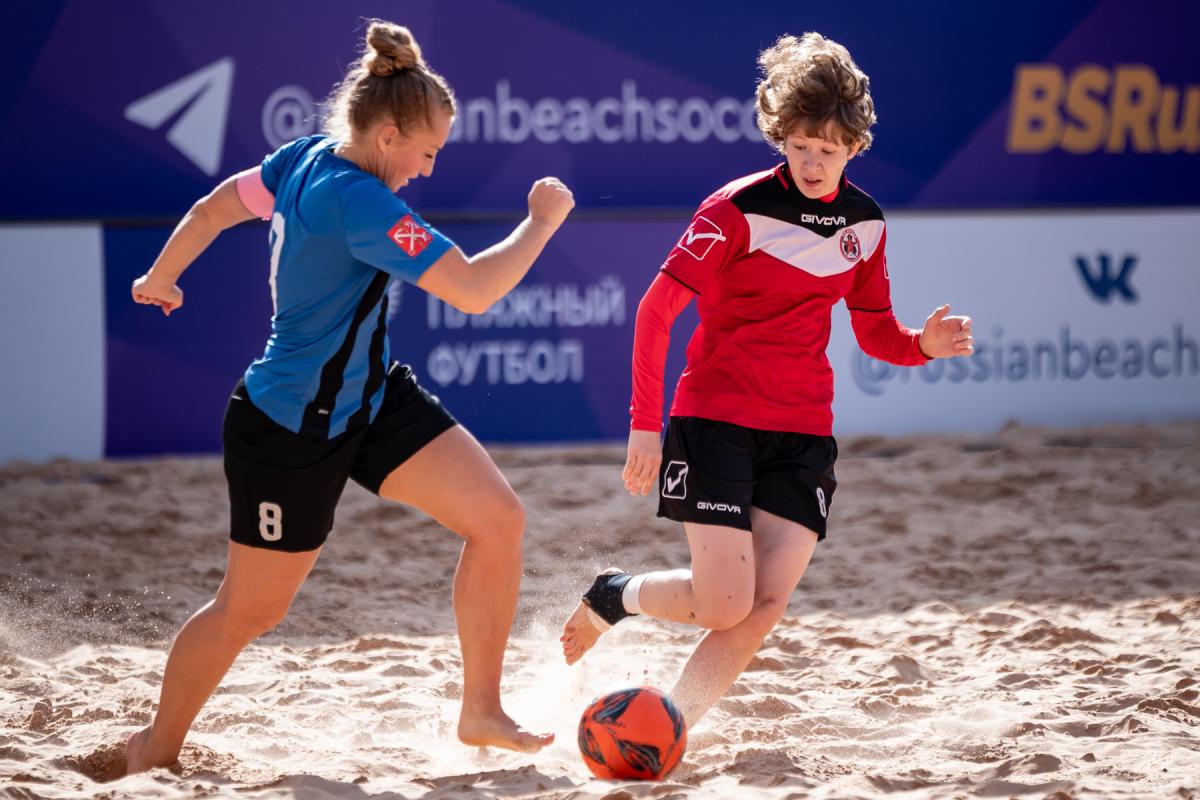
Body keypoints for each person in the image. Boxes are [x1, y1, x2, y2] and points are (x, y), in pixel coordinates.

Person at [126, 20, 574, 772]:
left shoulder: (302, 156)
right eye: (427, 153)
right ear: (388, 134)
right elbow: (472, 289)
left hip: (370, 398)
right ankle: (153, 748)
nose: (427, 170)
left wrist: (162, 275)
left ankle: (481, 709)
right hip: (290, 425)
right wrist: (540, 224)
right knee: (250, 610)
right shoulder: (360, 203)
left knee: (498, 521)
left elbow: (212, 209)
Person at [560, 32, 973, 727]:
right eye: (800, 145)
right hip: (716, 422)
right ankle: (616, 594)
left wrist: (922, 346)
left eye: (828, 150)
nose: (812, 162)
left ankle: (671, 728)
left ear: (855, 146)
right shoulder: (734, 209)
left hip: (803, 433)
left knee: (764, 605)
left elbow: (876, 331)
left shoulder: (866, 224)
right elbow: (657, 311)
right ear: (781, 135)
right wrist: (644, 426)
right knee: (724, 602)